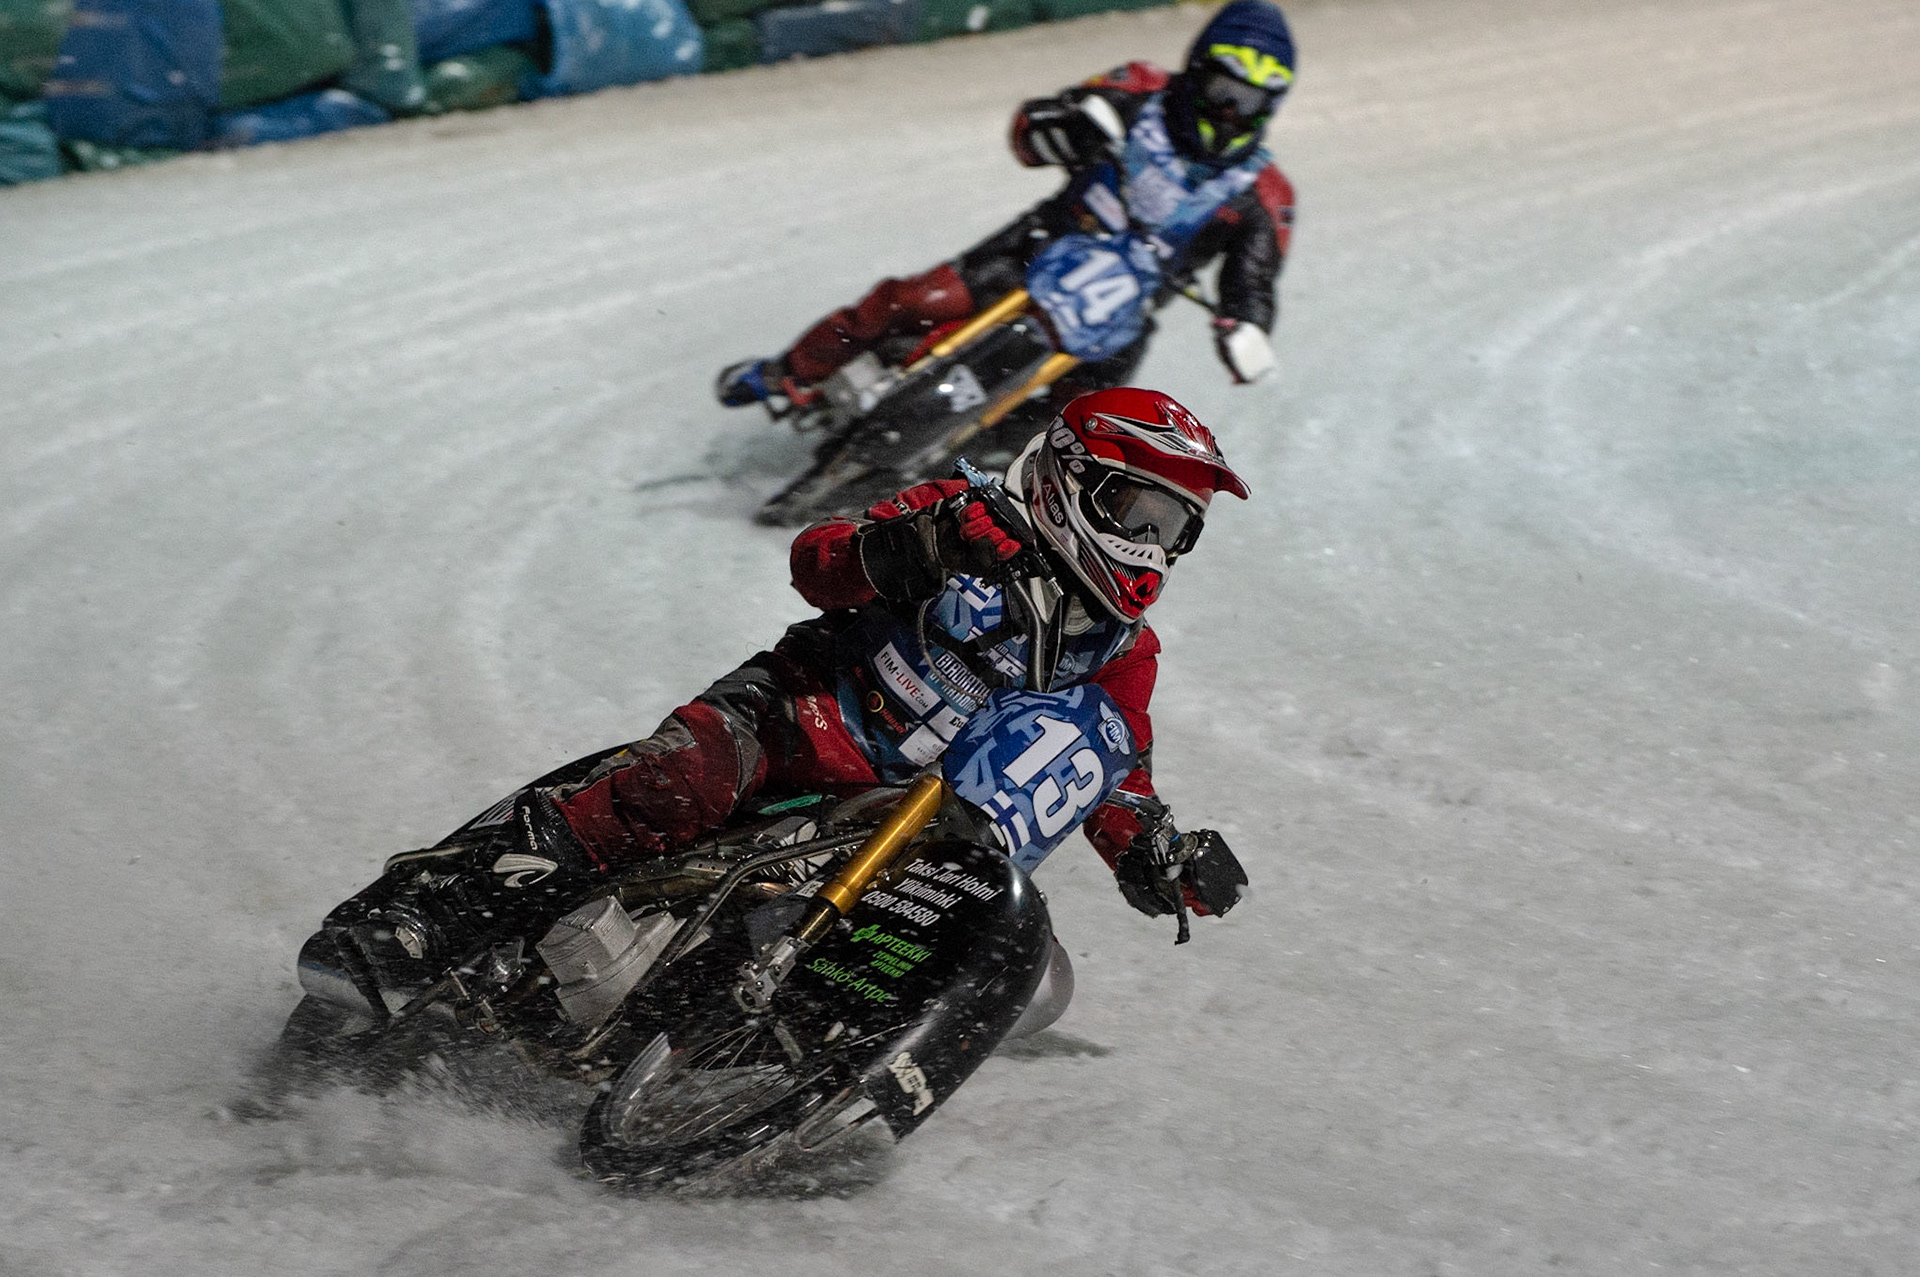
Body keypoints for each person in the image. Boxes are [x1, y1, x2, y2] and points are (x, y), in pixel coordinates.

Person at [518, 387, 1250, 924]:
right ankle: (484, 889)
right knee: (686, 779)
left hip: (897, 820)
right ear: (1073, 478)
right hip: (798, 714)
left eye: (1178, 529)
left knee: (1011, 954)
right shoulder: (964, 510)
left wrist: (1153, 848)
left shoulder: (1123, 648)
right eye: (1142, 514)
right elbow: (817, 562)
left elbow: (1107, 762)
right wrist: (924, 544)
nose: (1154, 546)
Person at [715, 0, 1299, 423]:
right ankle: (787, 372)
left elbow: (1254, 283)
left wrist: (1244, 325)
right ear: (1198, 71)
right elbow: (1032, 129)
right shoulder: (1140, 89)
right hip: (1033, 250)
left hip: (1116, 318)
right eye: (1226, 92)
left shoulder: (1266, 194)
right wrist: (1067, 129)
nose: (1231, 114)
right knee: (909, 301)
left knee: (1077, 427)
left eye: (1250, 103)